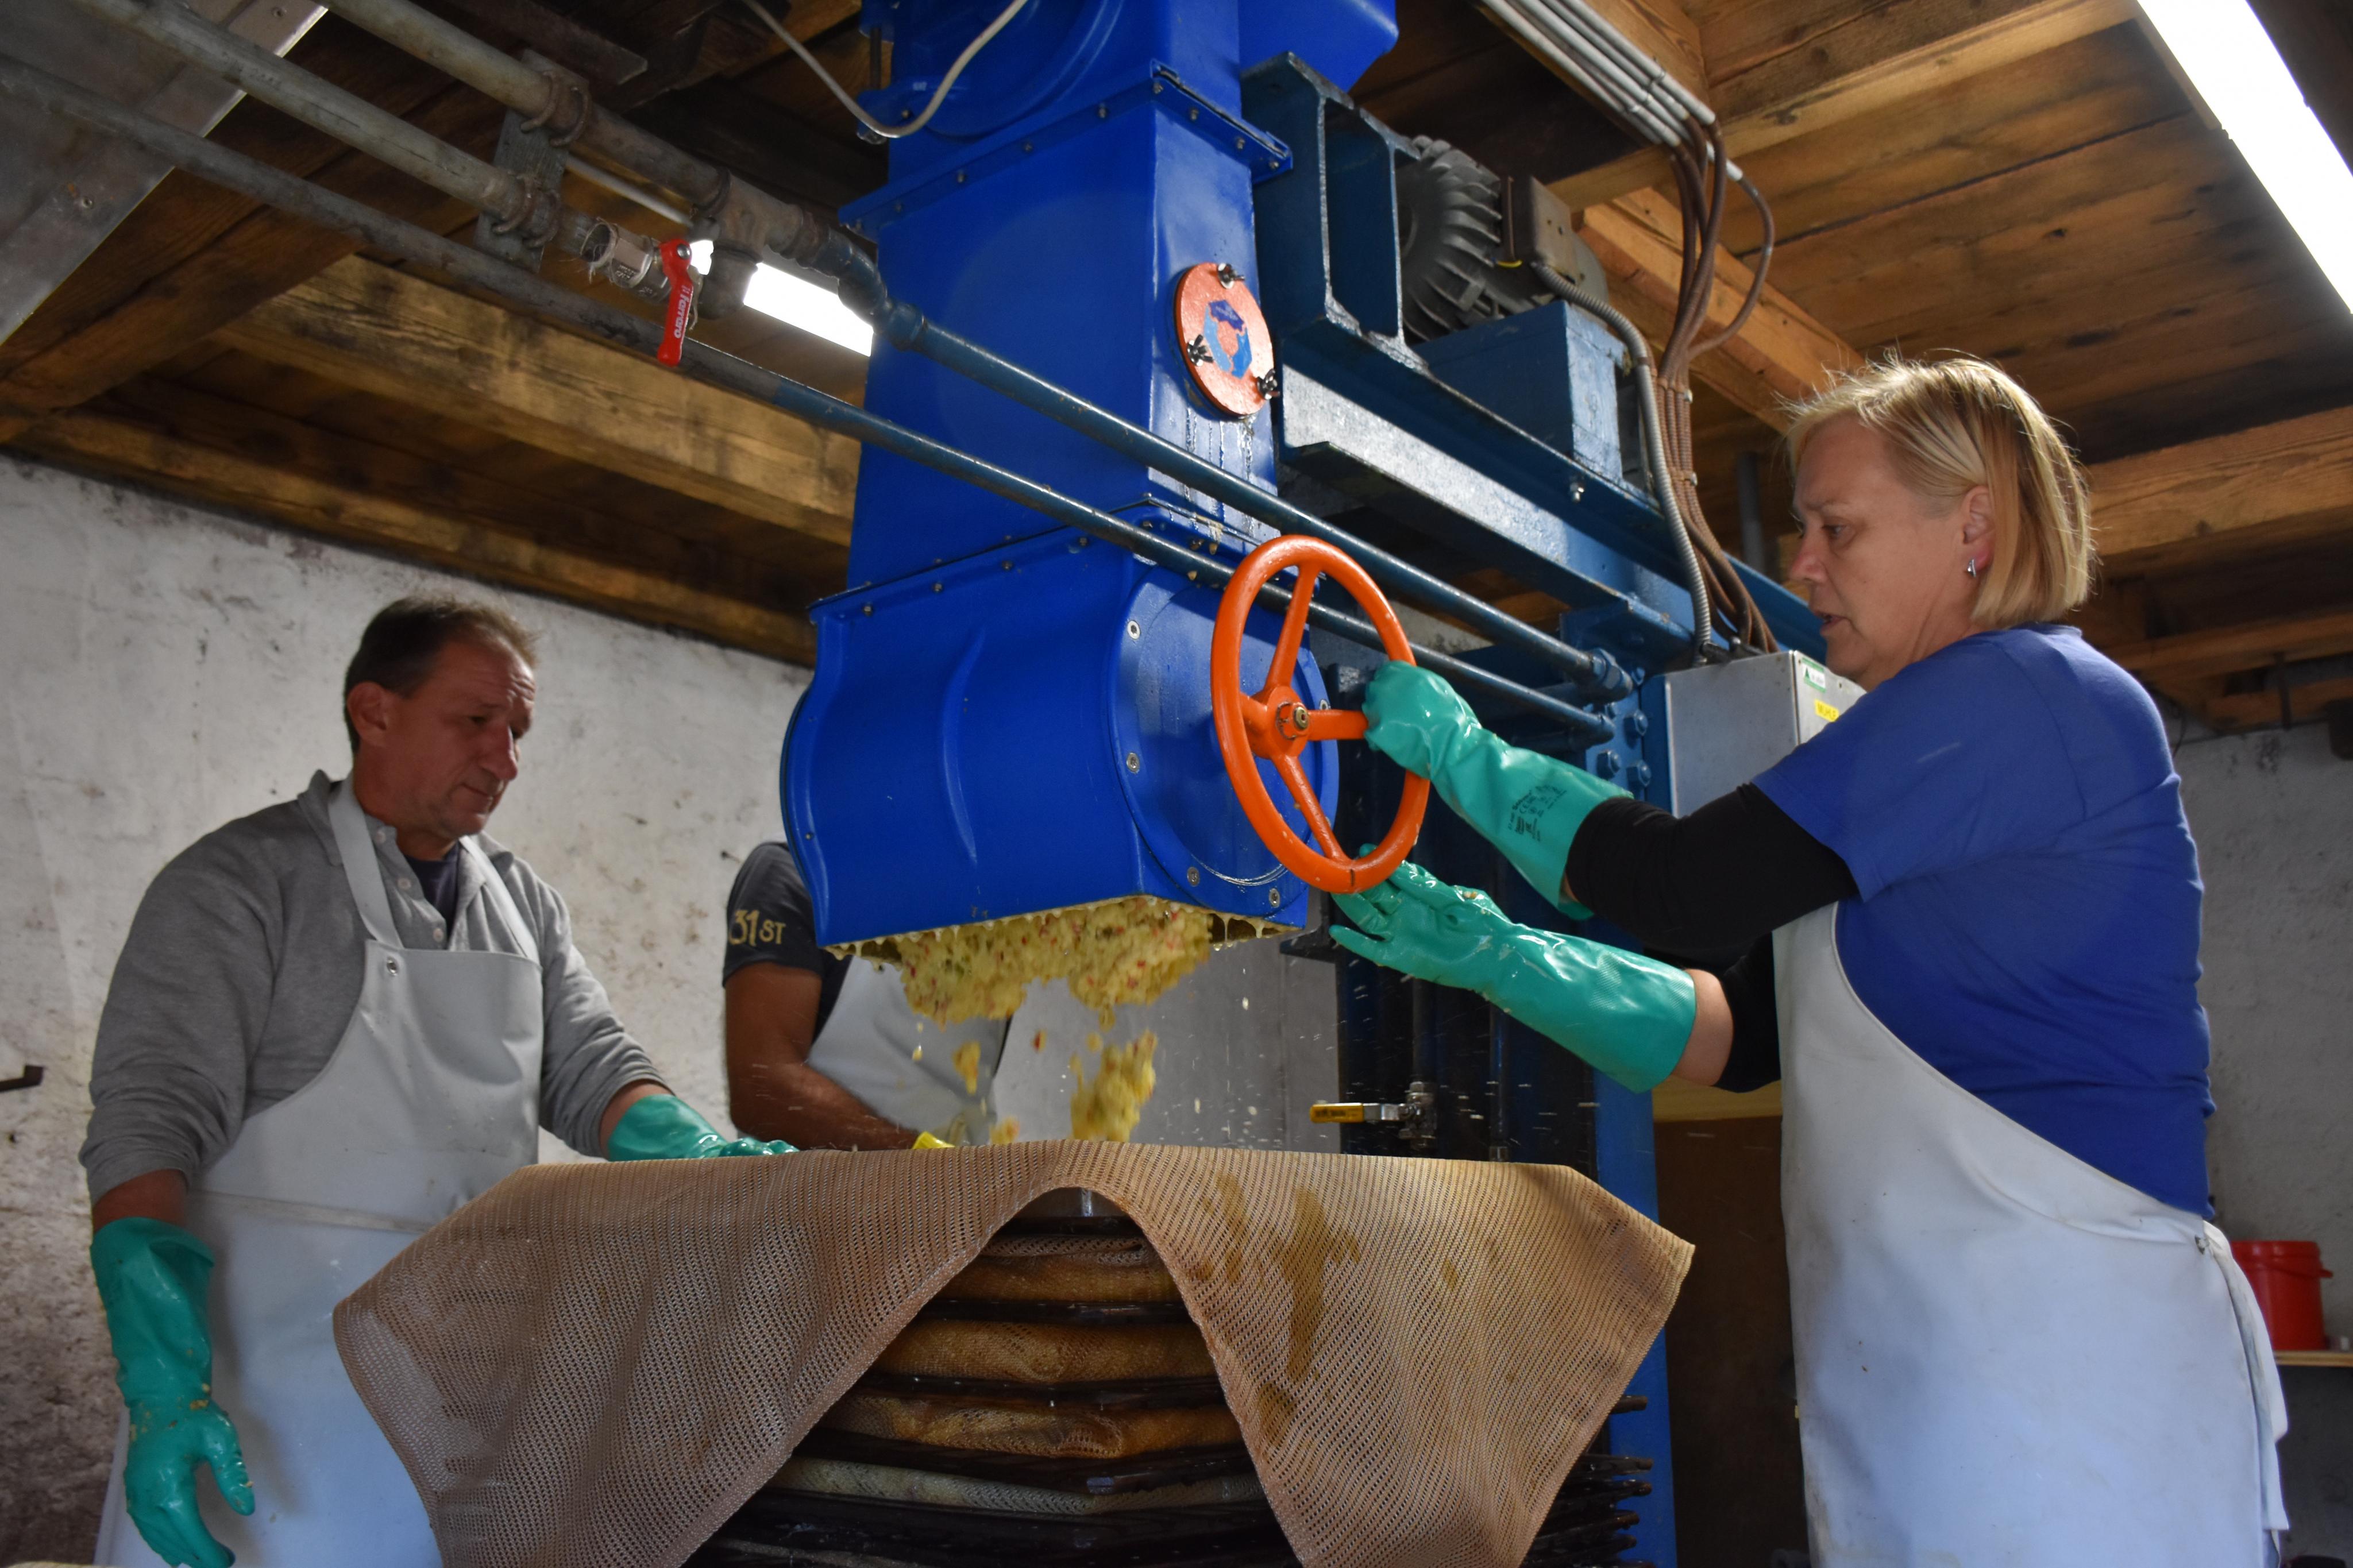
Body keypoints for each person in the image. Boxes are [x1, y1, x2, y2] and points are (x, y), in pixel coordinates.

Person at [1332, 357, 2287, 1565]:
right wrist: (1502, 958)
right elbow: (1739, 1040)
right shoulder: (1929, 769)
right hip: (1954, 1399)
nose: (1801, 567)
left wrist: (1470, 759)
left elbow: (1682, 890)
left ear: (1974, 529)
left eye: (1837, 528)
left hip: (2071, 1393)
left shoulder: (2022, 694)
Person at [81, 597, 792, 1568]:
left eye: (518, 730)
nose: (507, 760)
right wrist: (165, 1388)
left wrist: (705, 1155)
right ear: (374, 711)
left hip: (458, 1413)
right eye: (478, 721)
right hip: (263, 1411)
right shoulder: (240, 885)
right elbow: (147, 1127)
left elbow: (594, 1071)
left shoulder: (524, 904)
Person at [723, 836, 1008, 1148]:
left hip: (962, 1174)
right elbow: (763, 1090)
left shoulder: (1001, 929)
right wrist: (915, 1157)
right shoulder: (799, 877)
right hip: (819, 1179)